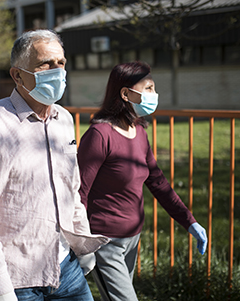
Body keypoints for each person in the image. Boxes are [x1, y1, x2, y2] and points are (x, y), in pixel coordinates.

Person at [0, 30, 109, 301]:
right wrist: (0, 288)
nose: (56, 71)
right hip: (17, 278)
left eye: (61, 63)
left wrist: (83, 245)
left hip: (67, 268)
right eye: (45, 64)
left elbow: (71, 189)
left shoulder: (64, 119)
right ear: (17, 75)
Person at [77, 61, 207, 301]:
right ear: (126, 94)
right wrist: (81, 242)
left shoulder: (139, 133)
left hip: (132, 239)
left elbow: (158, 183)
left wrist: (189, 222)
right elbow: (79, 192)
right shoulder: (99, 135)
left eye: (153, 88)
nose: (154, 94)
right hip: (105, 241)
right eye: (148, 88)